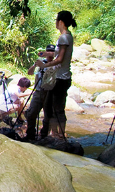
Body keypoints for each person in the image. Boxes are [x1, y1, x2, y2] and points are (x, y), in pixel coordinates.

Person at [35, 11, 76, 140]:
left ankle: (60, 135)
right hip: (62, 77)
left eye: (56, 20)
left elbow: (60, 59)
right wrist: (47, 54)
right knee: (52, 107)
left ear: (61, 22)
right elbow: (59, 55)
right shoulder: (67, 36)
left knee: (55, 108)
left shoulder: (64, 37)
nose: (56, 23)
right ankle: (56, 134)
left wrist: (44, 65)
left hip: (60, 78)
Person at [24, 44, 57, 140]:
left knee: (48, 116)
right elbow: (30, 73)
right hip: (38, 91)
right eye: (48, 51)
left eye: (52, 52)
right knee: (31, 113)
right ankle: (30, 134)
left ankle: (44, 135)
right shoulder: (41, 62)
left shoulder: (56, 64)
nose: (50, 54)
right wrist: (35, 65)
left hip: (49, 92)